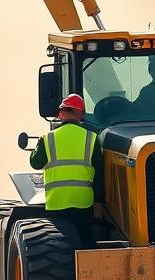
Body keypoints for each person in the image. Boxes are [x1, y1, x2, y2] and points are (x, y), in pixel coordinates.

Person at [29, 93, 103, 245]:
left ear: (61, 114)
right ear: (81, 114)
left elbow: (35, 163)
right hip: (83, 202)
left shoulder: (47, 138)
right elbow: (100, 172)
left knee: (58, 246)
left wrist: (38, 145)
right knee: (85, 243)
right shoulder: (92, 138)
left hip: (56, 202)